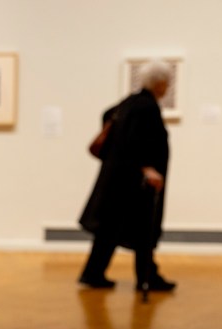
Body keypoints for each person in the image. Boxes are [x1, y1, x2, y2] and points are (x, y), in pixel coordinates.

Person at [78, 60, 176, 291]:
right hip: (134, 182)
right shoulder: (146, 107)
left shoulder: (129, 103)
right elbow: (135, 141)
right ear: (159, 83)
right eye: (166, 83)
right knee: (144, 227)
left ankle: (94, 273)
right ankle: (146, 277)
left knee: (109, 229)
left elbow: (107, 115)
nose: (167, 87)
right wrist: (146, 168)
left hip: (118, 178)